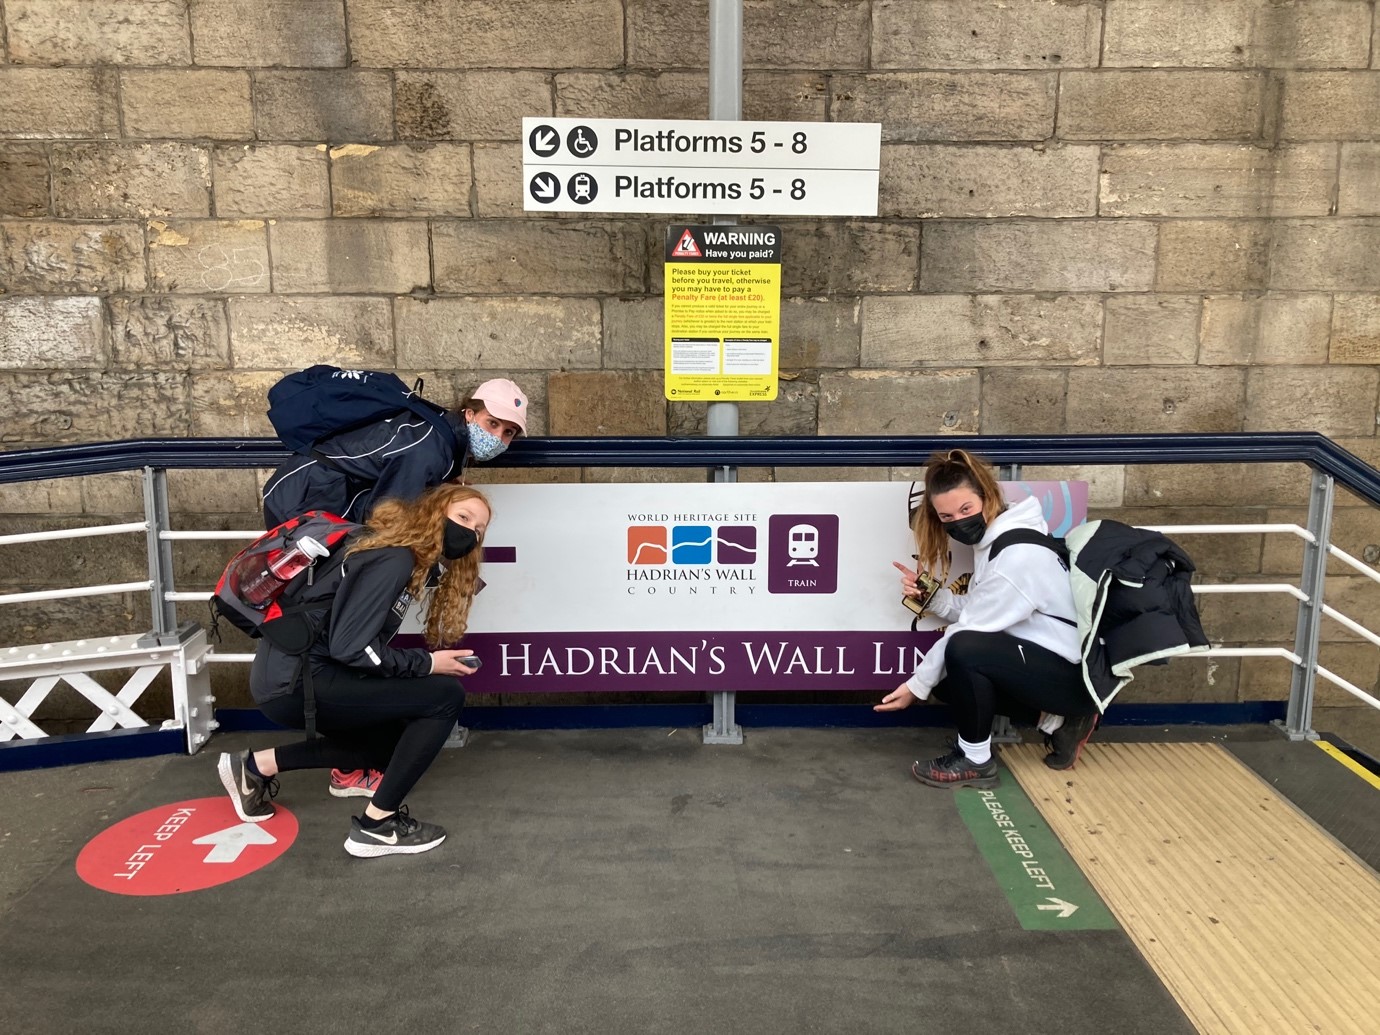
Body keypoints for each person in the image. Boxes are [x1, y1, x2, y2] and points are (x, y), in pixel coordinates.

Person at [217, 483, 491, 858]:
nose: (470, 534)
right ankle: (378, 825)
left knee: (392, 742)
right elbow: (352, 647)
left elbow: (348, 643)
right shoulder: (395, 559)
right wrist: (427, 664)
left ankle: (255, 766)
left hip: (291, 677)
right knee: (444, 696)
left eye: (479, 530)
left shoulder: (392, 552)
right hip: (297, 683)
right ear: (431, 513)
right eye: (463, 518)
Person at [875, 449, 1100, 788]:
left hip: (1072, 678)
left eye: (966, 509)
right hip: (1057, 669)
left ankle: (975, 759)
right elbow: (980, 610)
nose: (958, 521)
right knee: (948, 678)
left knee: (963, 650)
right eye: (947, 516)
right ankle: (1059, 723)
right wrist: (933, 597)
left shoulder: (1016, 557)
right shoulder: (998, 542)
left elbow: (969, 630)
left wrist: (914, 686)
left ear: (987, 495)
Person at [261, 377, 527, 528]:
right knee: (306, 601)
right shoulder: (428, 449)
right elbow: (389, 516)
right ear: (469, 414)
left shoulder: (439, 436)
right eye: (492, 423)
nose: (498, 437)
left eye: (509, 432)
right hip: (306, 497)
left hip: (312, 491)